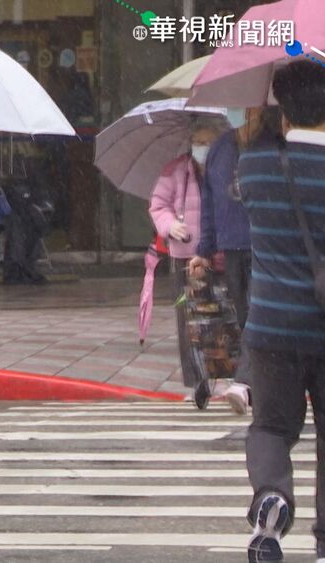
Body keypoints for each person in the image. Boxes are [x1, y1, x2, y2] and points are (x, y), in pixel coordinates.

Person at [236, 60, 325, 563]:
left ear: (283, 108)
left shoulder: (255, 165)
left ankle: (273, 495)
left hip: (271, 325)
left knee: (271, 427)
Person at [190, 106, 284, 415]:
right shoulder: (220, 149)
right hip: (231, 247)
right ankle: (261, 383)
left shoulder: (274, 146)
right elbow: (210, 202)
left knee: (258, 315)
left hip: (265, 246)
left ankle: (243, 383)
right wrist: (204, 249)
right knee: (245, 318)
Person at [149, 117, 227, 406]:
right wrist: (170, 226)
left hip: (222, 255)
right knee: (191, 320)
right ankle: (197, 382)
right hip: (186, 255)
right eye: (199, 142)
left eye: (209, 142)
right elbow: (158, 205)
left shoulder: (227, 168)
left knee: (224, 316)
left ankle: (230, 376)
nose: (203, 148)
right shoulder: (177, 170)